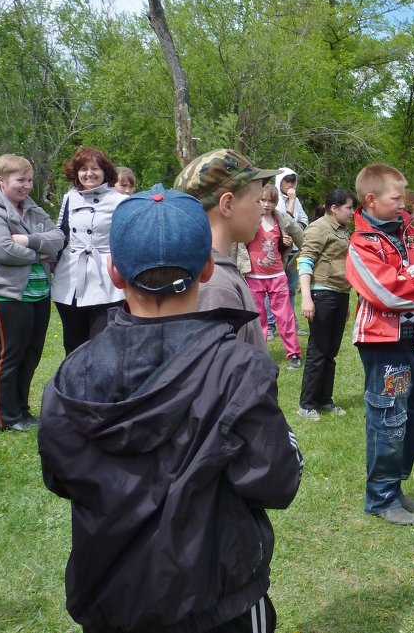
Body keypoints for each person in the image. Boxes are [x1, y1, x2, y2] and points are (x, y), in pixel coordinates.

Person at [38, 184, 302, 633]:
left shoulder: (70, 376)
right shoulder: (239, 368)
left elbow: (62, 478)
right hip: (218, 604)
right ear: (205, 268)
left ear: (114, 271)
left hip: (113, 601)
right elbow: (276, 480)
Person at [345, 163, 414, 525]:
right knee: (389, 422)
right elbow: (386, 293)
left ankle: (395, 484)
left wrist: (410, 280)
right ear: (371, 200)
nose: (404, 203)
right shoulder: (361, 245)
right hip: (385, 347)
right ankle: (381, 497)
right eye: (396, 197)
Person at [0, 155, 64, 433]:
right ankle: (4, 417)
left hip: (38, 295)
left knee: (30, 356)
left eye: (29, 179)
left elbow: (59, 238)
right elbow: (0, 249)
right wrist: (38, 253)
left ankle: (22, 412)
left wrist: (29, 240)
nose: (27, 185)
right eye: (20, 180)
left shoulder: (32, 208)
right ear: (1, 180)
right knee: (8, 356)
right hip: (4, 296)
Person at [174, 149, 279, 351]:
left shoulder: (214, 272)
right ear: (228, 204)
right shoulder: (215, 285)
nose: (262, 209)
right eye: (258, 200)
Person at [50, 146, 127, 354]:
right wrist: (49, 260)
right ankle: (71, 386)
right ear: (76, 172)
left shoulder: (120, 200)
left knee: (103, 344)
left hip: (106, 278)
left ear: (105, 172)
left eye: (95, 168)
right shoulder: (69, 198)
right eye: (83, 169)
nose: (89, 173)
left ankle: (100, 386)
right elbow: (62, 232)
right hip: (71, 278)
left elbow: (126, 239)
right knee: (73, 344)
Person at [297, 188, 356, 419]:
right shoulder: (318, 228)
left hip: (339, 294)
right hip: (322, 294)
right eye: (349, 207)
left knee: (330, 352)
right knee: (318, 350)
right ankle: (307, 405)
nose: (352, 212)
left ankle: (324, 401)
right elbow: (305, 261)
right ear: (334, 208)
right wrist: (306, 297)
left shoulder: (342, 230)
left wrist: (346, 297)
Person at [236, 183, 304, 368]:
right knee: (258, 319)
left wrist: (290, 255)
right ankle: (259, 354)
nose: (266, 205)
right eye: (262, 200)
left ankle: (294, 354)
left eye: (270, 201)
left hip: (277, 275)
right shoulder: (249, 219)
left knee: (285, 316)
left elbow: (306, 243)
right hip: (253, 277)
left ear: (276, 203)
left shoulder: (283, 220)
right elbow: (234, 244)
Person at [272, 167, 309, 337]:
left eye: (292, 181)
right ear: (279, 181)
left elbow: (303, 219)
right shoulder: (274, 199)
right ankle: (271, 326)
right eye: (286, 181)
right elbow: (285, 220)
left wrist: (298, 228)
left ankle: (292, 324)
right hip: (278, 250)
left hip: (294, 250)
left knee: (291, 289)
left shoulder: (296, 200)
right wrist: (292, 201)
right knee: (273, 290)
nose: (289, 185)